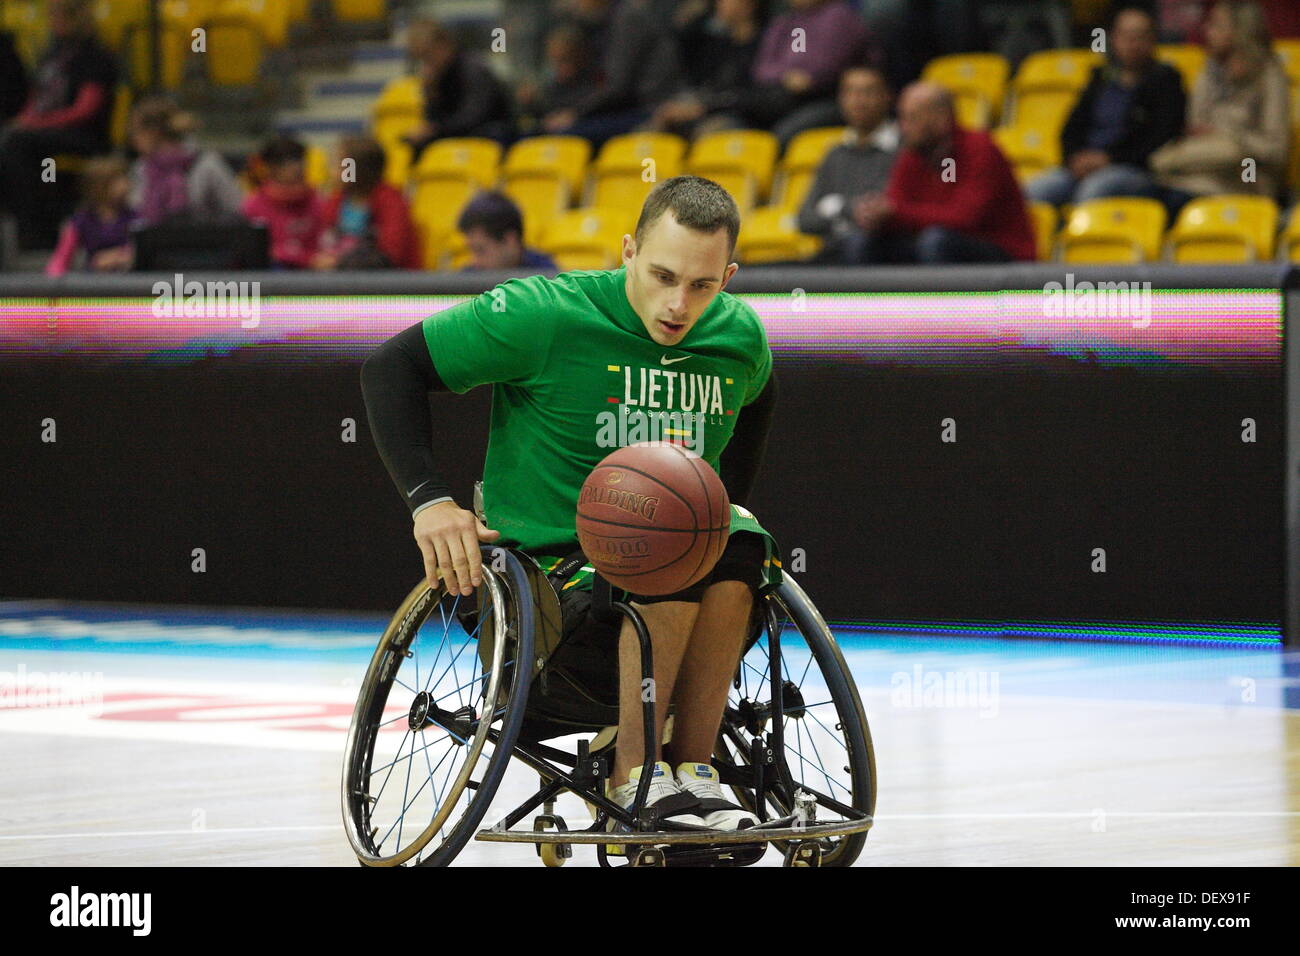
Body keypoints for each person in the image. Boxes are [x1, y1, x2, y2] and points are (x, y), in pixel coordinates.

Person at [360, 175, 779, 831]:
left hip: (670, 578)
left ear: (728, 276)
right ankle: (635, 776)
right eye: (663, 275)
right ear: (628, 252)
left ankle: (695, 772)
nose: (678, 304)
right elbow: (391, 367)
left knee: (729, 535)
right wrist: (429, 502)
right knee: (668, 528)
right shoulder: (546, 314)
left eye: (702, 285)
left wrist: (721, 515)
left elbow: (759, 403)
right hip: (546, 587)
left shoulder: (740, 340)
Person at [854, 82, 1035, 264]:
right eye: (901, 119)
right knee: (862, 242)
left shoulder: (979, 149)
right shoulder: (912, 155)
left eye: (912, 119)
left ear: (942, 119)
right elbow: (898, 206)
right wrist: (878, 216)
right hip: (936, 243)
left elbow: (964, 218)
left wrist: (894, 213)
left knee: (935, 241)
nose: (903, 128)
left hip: (1000, 251)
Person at [1027, 7, 1186, 207]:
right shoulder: (1100, 77)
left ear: (1153, 39)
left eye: (1139, 36)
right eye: (1125, 35)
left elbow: (1159, 137)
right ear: (1114, 38)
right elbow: (1071, 127)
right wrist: (1075, 158)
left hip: (1135, 170)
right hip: (1082, 166)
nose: (1132, 43)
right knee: (1033, 191)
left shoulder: (1166, 80)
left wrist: (1108, 159)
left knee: (1092, 191)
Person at [1149, 0, 1291, 212]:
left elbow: (1275, 149)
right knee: (1146, 193)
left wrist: (1227, 135)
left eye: (1216, 24)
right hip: (1200, 169)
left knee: (1227, 156)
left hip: (1247, 176)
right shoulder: (1208, 72)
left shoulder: (1270, 76)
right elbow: (1195, 128)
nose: (1206, 30)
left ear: (1240, 30)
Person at [0, 0, 119, 248]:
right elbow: (35, 99)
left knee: (20, 144)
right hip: (44, 135)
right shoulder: (50, 55)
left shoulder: (95, 56)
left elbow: (85, 109)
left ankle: (36, 230)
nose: (52, 22)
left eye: (58, 16)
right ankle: (19, 227)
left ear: (76, 18)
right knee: (12, 138)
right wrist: (25, 120)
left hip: (82, 136)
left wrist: (38, 124)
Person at [542, 0, 686, 147]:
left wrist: (575, 113)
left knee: (562, 136)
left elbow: (617, 87)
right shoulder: (599, 22)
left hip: (646, 108)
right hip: (621, 107)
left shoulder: (627, 18)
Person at [796, 67, 900, 264]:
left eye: (868, 92)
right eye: (850, 92)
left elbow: (877, 213)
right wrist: (849, 211)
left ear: (887, 97)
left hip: (884, 256)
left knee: (858, 243)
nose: (858, 101)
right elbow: (805, 219)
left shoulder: (902, 151)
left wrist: (834, 207)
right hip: (833, 255)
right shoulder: (835, 154)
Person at [742, 0, 875, 146]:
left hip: (828, 98)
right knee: (739, 123)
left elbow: (828, 67)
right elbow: (761, 69)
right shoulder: (784, 21)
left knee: (783, 135)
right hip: (785, 97)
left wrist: (805, 77)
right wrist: (786, 76)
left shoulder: (839, 16)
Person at [651, 0, 770, 138]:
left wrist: (706, 107)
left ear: (749, 5)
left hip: (742, 117)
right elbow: (698, 81)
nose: (720, 4)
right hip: (706, 109)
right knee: (653, 128)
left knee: (709, 133)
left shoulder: (764, 44)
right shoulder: (717, 44)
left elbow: (754, 96)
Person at [404, 19, 515, 158]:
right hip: (458, 133)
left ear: (442, 46)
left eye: (427, 55)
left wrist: (436, 129)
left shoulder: (472, 68)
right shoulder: (437, 77)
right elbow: (432, 117)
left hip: (489, 133)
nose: (426, 64)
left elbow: (474, 116)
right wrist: (431, 91)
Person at [128, 95, 243, 227]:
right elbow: (136, 215)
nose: (133, 139)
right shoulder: (142, 168)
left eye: (136, 132)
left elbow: (237, 210)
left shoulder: (207, 164)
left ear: (154, 132)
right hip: (156, 244)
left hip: (205, 243)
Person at [316, 136, 419, 270]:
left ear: (360, 170)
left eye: (340, 166)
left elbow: (391, 255)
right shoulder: (337, 200)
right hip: (340, 279)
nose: (332, 172)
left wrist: (339, 263)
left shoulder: (390, 201)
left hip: (383, 282)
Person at [241, 136, 328, 270]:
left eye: (301, 161)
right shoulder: (253, 206)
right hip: (275, 276)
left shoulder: (318, 201)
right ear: (271, 168)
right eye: (289, 162)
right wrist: (301, 258)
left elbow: (328, 242)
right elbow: (259, 252)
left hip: (319, 274)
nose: (298, 168)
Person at [45, 155, 136, 276]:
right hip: (94, 281)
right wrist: (51, 284)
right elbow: (61, 258)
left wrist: (117, 256)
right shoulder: (80, 221)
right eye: (117, 181)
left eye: (125, 179)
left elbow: (139, 250)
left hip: (128, 280)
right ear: (98, 187)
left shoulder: (135, 218)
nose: (125, 185)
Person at [456, 190, 557, 271]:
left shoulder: (545, 280)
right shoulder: (468, 277)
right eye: (471, 251)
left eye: (480, 250)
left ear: (510, 240)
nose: (474, 261)